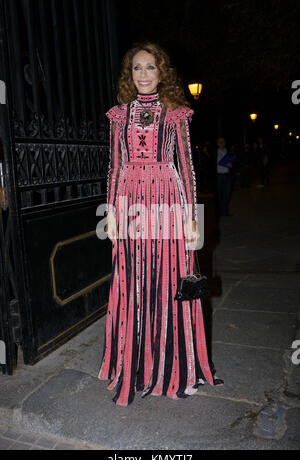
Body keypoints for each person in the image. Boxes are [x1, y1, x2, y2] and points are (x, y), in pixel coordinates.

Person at [98, 42, 224, 406]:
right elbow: (115, 166)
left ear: (161, 72)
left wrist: (190, 218)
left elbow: (186, 168)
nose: (143, 74)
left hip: (167, 198)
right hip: (130, 200)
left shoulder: (175, 114)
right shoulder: (118, 115)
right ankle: (134, 364)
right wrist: (112, 212)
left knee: (169, 276)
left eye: (150, 67)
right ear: (129, 74)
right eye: (136, 68)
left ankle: (173, 367)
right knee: (132, 278)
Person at [215, 137, 234, 217]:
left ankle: (225, 211)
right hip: (219, 176)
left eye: (222, 141)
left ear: (225, 142)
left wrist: (232, 165)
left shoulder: (228, 151)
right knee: (220, 195)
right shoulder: (215, 153)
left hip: (227, 176)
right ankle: (220, 212)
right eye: (219, 142)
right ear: (217, 143)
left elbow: (234, 161)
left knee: (227, 194)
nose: (221, 143)